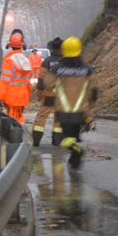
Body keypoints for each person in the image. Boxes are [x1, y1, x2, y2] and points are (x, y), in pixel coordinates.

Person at [53, 36, 98, 168]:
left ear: (64, 51)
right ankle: (74, 159)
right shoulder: (86, 69)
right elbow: (94, 90)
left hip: (63, 111)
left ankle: (76, 151)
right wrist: (90, 107)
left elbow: (46, 85)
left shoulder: (58, 69)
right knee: (74, 136)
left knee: (62, 139)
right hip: (80, 111)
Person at [31, 37, 65, 147]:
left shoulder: (47, 61)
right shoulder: (66, 62)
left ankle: (36, 140)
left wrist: (40, 93)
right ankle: (57, 141)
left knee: (41, 117)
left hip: (49, 94)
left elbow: (41, 79)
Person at [0, 29, 35, 123]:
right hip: (23, 97)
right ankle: (21, 135)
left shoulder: (9, 61)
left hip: (11, 97)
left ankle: (15, 136)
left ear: (10, 45)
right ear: (23, 45)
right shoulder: (27, 61)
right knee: (19, 118)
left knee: (12, 122)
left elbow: (4, 82)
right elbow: (29, 83)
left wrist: (0, 98)